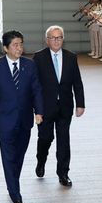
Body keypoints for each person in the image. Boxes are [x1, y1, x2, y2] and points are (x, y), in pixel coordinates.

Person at [0, 30, 43, 203]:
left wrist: (39, 112)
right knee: (8, 158)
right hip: (5, 120)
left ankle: (12, 182)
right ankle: (16, 195)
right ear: (5, 48)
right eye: (15, 45)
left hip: (25, 120)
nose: (19, 48)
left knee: (19, 156)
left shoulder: (29, 65)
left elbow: (36, 90)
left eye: (21, 44)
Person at [33, 25, 85, 187]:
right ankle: (41, 161)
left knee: (64, 140)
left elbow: (77, 82)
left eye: (59, 37)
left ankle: (63, 173)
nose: (56, 41)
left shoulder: (71, 57)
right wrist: (36, 109)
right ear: (47, 40)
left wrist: (80, 104)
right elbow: (34, 86)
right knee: (45, 138)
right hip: (45, 108)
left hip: (65, 107)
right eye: (53, 38)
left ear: (63, 39)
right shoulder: (38, 58)